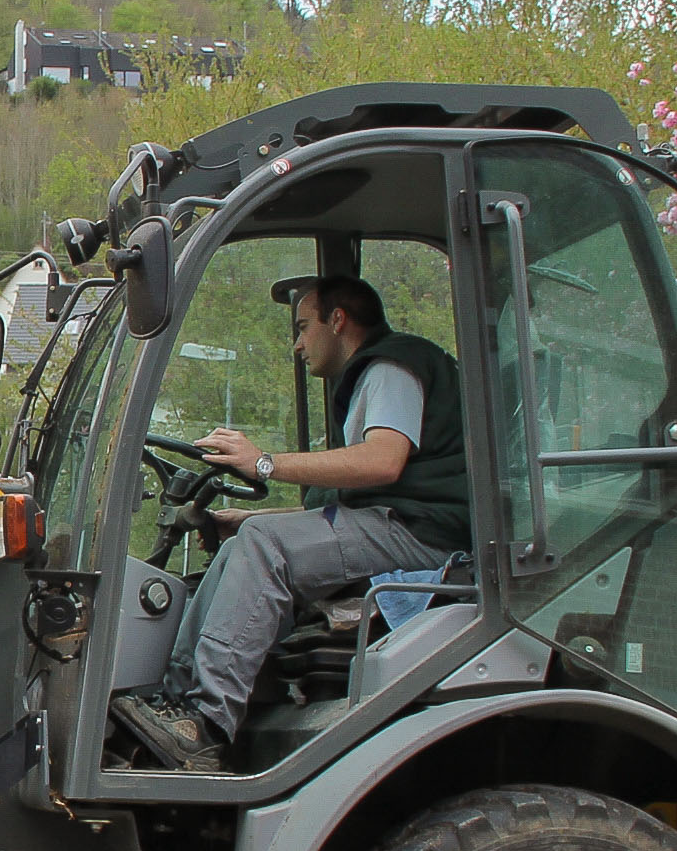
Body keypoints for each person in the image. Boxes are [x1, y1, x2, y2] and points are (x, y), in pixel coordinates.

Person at [109, 276, 470, 773]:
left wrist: (264, 464)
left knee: (263, 545)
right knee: (248, 541)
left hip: (424, 534)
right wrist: (250, 518)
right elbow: (364, 499)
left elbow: (384, 463)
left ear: (337, 320)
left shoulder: (390, 367)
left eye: (303, 327)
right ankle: (175, 703)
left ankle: (207, 721)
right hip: (399, 521)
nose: (297, 343)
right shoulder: (372, 377)